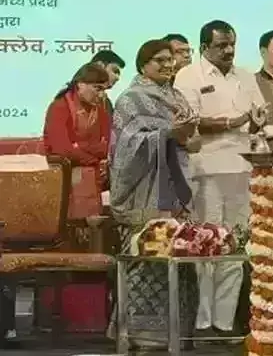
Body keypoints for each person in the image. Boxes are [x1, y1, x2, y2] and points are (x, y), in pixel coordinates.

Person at [173, 20, 266, 336]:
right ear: (204, 48)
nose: (228, 51)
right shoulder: (189, 75)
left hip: (243, 167)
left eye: (232, 45)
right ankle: (202, 320)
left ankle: (224, 322)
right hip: (207, 170)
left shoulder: (245, 76)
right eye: (221, 45)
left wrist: (257, 120)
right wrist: (232, 122)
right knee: (207, 242)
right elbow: (189, 121)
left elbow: (258, 115)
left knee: (235, 243)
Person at [108, 39, 198, 349]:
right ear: (143, 64)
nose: (168, 64)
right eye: (159, 60)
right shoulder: (130, 99)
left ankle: (177, 334)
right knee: (147, 258)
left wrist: (187, 138)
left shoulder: (178, 97)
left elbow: (193, 141)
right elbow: (126, 147)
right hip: (144, 190)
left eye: (170, 59)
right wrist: (167, 134)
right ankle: (141, 336)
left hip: (176, 187)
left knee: (179, 257)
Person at [43, 63, 112, 220]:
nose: (102, 95)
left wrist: (79, 146)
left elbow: (107, 145)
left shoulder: (101, 109)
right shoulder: (59, 107)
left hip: (94, 175)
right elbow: (62, 149)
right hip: (65, 176)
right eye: (97, 88)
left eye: (104, 90)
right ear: (80, 84)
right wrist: (93, 159)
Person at [92, 49, 126, 114]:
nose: (118, 78)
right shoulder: (76, 95)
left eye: (118, 74)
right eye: (114, 71)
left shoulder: (106, 103)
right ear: (100, 65)